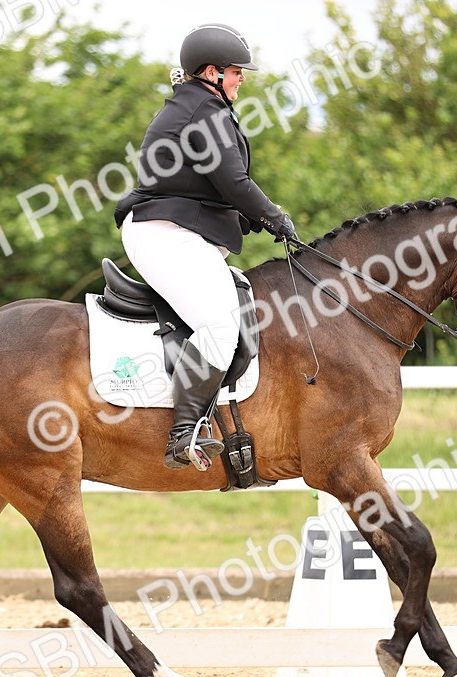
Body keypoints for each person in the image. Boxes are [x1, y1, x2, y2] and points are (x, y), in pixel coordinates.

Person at [114, 22, 297, 471]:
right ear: (212, 71)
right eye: (236, 71)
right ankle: (184, 434)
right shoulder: (205, 112)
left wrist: (246, 217)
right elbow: (234, 182)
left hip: (175, 229)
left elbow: (204, 186)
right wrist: (273, 216)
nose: (242, 79)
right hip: (163, 234)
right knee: (219, 326)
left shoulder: (198, 106)